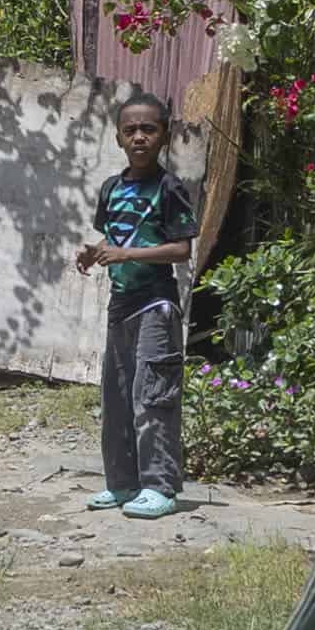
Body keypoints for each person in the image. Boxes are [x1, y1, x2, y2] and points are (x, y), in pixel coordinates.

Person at [66, 87, 195, 517]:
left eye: (148, 129)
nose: (139, 137)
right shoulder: (111, 189)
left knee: (153, 396)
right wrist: (95, 251)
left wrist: (126, 255)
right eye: (130, 130)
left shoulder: (170, 188)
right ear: (118, 138)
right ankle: (122, 484)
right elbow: (116, 239)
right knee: (117, 398)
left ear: (164, 136)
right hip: (120, 306)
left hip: (156, 306)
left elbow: (180, 251)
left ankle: (159, 487)